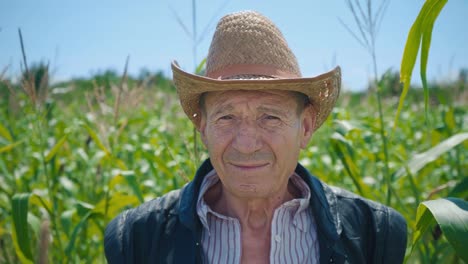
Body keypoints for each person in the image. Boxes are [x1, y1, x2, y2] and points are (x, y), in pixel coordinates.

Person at [104, 10, 407, 264]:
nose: (246, 144)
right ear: (202, 127)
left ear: (305, 128)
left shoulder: (375, 233)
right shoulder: (137, 239)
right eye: (226, 117)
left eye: (270, 117)